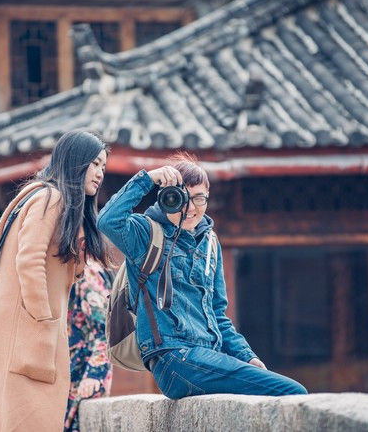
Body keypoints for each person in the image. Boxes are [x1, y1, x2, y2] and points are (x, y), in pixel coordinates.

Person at [97, 153, 307, 399]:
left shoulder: (210, 243)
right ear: (165, 198)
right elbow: (108, 220)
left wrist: (246, 356)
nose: (190, 208)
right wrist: (148, 179)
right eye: (180, 198)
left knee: (278, 390)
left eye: (199, 198)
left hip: (208, 357)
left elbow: (217, 314)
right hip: (173, 358)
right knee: (292, 391)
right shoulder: (145, 234)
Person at [0, 131, 108, 432]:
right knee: (26, 419)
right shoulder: (52, 198)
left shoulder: (45, 199)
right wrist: (43, 319)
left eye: (103, 166)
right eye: (95, 163)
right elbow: (29, 259)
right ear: (76, 161)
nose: (100, 173)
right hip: (28, 332)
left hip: (19, 331)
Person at [64, 261, 112, 432]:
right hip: (71, 374)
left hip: (84, 378)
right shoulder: (72, 269)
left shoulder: (87, 273)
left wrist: (94, 374)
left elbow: (106, 331)